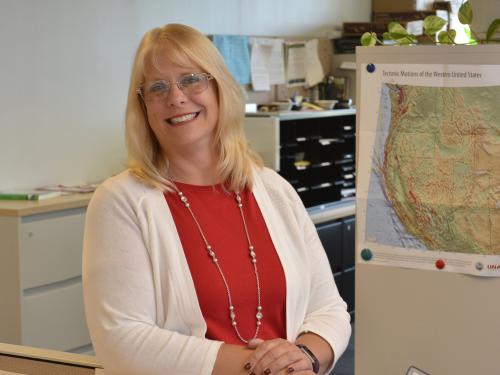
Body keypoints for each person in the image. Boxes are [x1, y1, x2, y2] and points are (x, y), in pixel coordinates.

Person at [82, 23, 351, 375]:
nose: (176, 97)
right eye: (157, 87)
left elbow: (329, 308)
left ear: (219, 87)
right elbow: (122, 340)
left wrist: (306, 356)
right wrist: (264, 368)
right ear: (142, 106)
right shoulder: (121, 202)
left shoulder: (273, 189)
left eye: (192, 79)